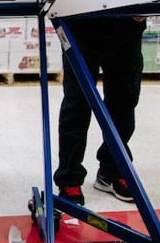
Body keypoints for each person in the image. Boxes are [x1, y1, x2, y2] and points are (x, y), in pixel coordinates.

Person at [54, 17, 146, 205]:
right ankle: (69, 178)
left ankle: (112, 170)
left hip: (127, 24)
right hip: (81, 23)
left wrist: (144, 9)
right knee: (77, 103)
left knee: (124, 101)